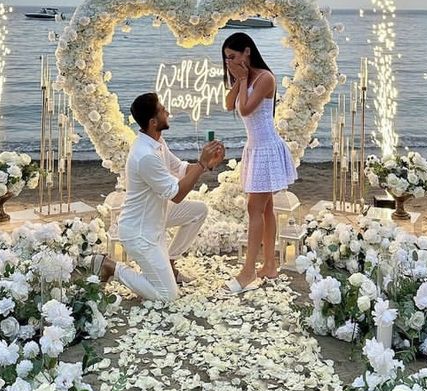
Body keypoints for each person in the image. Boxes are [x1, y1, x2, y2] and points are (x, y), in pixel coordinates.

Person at [95, 92, 225, 301]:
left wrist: (207, 165)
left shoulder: (157, 142)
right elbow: (176, 195)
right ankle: (112, 267)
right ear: (154, 122)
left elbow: (180, 168)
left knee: (199, 211)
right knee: (167, 295)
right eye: (163, 110)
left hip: (158, 216)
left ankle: (170, 262)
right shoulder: (145, 155)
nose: (168, 112)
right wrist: (201, 164)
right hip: (140, 232)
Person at [222, 32, 297, 293]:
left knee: (255, 209)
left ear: (247, 52)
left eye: (233, 56)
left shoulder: (266, 78)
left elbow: (245, 109)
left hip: (266, 149)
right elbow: (229, 104)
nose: (229, 62)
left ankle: (248, 271)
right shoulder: (244, 78)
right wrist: (238, 80)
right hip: (255, 149)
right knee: (265, 209)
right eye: (226, 58)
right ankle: (269, 266)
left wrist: (242, 79)